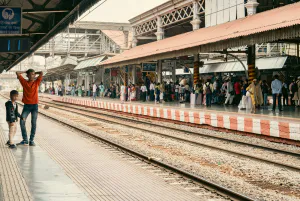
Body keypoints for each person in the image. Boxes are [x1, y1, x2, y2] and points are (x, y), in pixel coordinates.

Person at [16, 69, 43, 146]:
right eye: (30, 74)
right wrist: (26, 71)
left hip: (35, 106)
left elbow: (41, 72)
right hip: (27, 106)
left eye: (33, 74)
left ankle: (31, 140)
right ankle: (25, 140)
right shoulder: (24, 82)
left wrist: (34, 72)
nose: (32, 76)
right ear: (27, 75)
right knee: (22, 122)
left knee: (33, 123)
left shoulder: (36, 82)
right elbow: (17, 73)